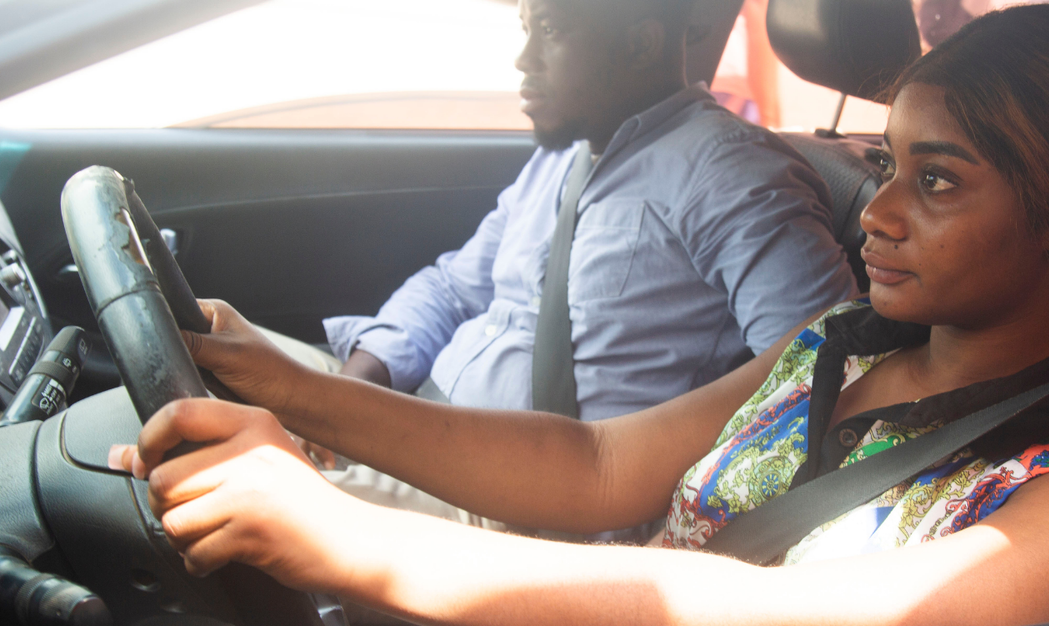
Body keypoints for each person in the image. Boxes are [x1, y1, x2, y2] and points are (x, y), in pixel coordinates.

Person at [115, 5, 1049, 626]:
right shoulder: (840, 344)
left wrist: (351, 536)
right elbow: (597, 465)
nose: (875, 212)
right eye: (884, 165)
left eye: (938, 181)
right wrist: (289, 387)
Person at [312, 0, 858, 530]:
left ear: (641, 44)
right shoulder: (560, 158)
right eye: (525, 28)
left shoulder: (731, 173)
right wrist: (354, 390)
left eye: (550, 30)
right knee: (257, 380)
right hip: (414, 414)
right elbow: (454, 288)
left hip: (507, 497)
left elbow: (820, 377)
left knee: (256, 473)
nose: (523, 58)